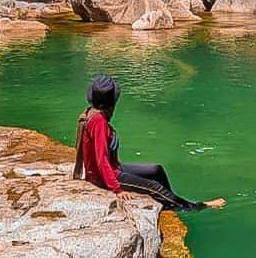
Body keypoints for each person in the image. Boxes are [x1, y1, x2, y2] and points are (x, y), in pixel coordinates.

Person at [73, 73, 226, 211]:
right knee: (155, 187)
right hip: (104, 178)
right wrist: (117, 189)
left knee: (155, 170)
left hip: (115, 168)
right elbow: (101, 160)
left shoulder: (93, 114)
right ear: (111, 102)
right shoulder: (98, 121)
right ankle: (195, 207)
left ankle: (169, 201)